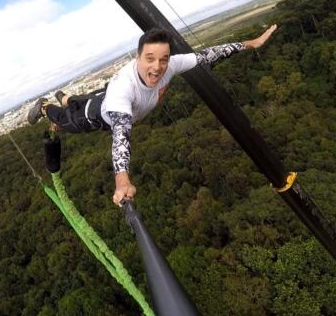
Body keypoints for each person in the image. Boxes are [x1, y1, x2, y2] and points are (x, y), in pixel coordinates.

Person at [27, 24, 279, 206]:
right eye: (149, 59)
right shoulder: (124, 92)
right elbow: (121, 137)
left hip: (102, 96)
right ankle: (46, 105)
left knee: (82, 100)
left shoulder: (171, 65)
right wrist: (122, 180)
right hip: (96, 115)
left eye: (163, 59)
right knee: (67, 120)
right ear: (137, 57)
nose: (157, 67)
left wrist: (249, 44)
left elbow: (208, 54)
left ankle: (65, 97)